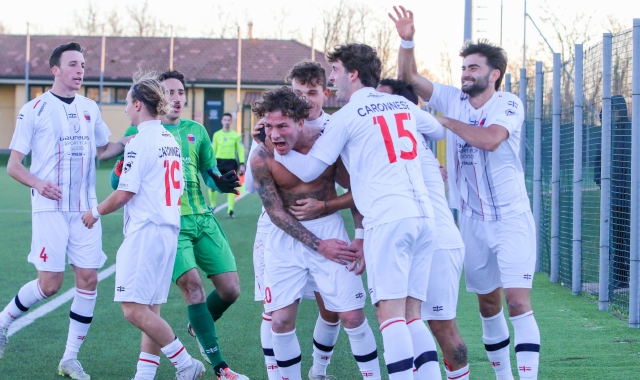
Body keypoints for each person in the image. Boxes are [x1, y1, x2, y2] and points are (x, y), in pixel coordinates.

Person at [264, 44, 445, 380]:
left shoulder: (346, 117)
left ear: (352, 73)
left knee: (390, 317)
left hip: (387, 218)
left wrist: (279, 149)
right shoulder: (401, 104)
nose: (332, 78)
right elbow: (436, 130)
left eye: (334, 71)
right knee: (412, 316)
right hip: (423, 216)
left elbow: (307, 171)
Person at [390, 5, 540, 379]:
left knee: (518, 303)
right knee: (488, 306)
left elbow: (489, 140)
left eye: (474, 68)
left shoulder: (508, 103)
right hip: (471, 221)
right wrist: (407, 39)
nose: (466, 73)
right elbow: (408, 77)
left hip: (511, 218)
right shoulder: (451, 97)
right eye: (464, 68)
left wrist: (442, 120)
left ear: (494, 75)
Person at [0, 42, 129, 379]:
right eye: (73, 64)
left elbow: (103, 150)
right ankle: (3, 321)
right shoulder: (34, 109)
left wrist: (131, 141)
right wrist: (38, 183)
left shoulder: (90, 107)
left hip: (86, 211)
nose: (80, 70)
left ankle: (70, 358)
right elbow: (14, 165)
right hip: (49, 209)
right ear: (55, 70)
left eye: (83, 65)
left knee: (88, 280)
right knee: (50, 284)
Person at [245, 62, 380, 380]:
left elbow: (358, 189)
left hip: (329, 227)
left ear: (300, 121)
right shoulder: (261, 156)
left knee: (350, 316)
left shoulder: (328, 142)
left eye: (282, 127)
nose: (274, 135)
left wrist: (358, 236)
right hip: (285, 239)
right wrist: (321, 247)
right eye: (269, 126)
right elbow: (275, 212)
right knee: (279, 321)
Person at [110, 70, 247, 380]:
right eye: (169, 92)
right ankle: (219, 367)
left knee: (230, 290)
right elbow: (117, 180)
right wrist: (121, 160)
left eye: (180, 92)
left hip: (204, 217)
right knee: (193, 289)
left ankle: (197, 325)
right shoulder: (141, 130)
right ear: (156, 98)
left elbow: (210, 170)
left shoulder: (196, 130)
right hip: (172, 224)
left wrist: (222, 183)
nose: (175, 98)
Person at [377, 78, 470, 380]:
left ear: (402, 107)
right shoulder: (404, 141)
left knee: (440, 328)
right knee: (409, 320)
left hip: (437, 242)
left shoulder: (404, 144)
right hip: (421, 239)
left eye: (382, 100)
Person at [594, 95, 631, 289]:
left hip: (631, 197)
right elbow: (597, 164)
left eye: (614, 111)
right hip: (614, 198)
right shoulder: (605, 134)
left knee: (630, 236)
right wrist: (603, 185)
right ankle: (620, 276)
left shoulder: (631, 132)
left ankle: (629, 274)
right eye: (607, 111)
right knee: (617, 238)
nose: (611, 115)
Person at [209, 113, 246, 218]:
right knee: (212, 185)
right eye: (225, 120)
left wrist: (242, 163)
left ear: (231, 121)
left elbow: (240, 150)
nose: (226, 122)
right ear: (222, 121)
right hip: (218, 162)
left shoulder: (235, 136)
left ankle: (230, 210)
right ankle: (212, 205)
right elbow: (213, 149)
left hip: (231, 163)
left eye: (228, 120)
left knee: (231, 187)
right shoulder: (217, 135)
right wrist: (210, 163)